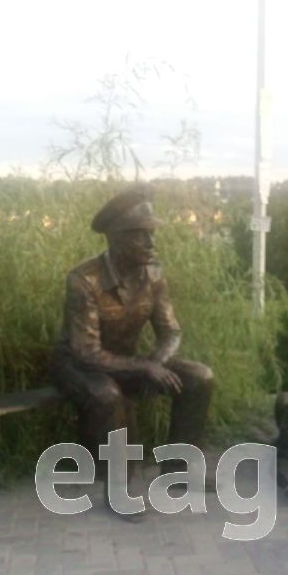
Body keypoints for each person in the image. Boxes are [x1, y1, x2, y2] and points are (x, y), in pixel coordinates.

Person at [51, 185, 214, 519]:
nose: (152, 243)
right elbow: (86, 351)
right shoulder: (83, 280)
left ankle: (179, 470)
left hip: (128, 361)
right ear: (117, 238)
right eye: (142, 235)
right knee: (108, 394)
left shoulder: (154, 274)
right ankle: (118, 490)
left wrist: (156, 363)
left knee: (200, 377)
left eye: (152, 233)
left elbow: (171, 331)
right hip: (77, 366)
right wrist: (143, 368)